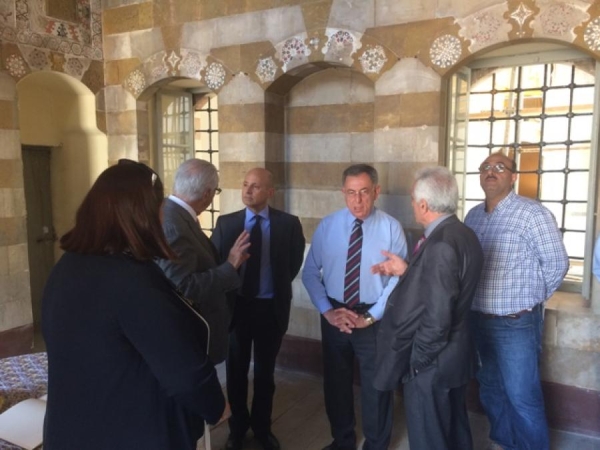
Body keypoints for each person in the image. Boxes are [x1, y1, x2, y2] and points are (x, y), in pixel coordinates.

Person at [41, 160, 228, 450]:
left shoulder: (67, 266)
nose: (162, 215)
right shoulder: (131, 279)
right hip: (130, 429)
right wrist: (216, 405)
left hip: (76, 424)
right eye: (159, 206)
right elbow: (181, 367)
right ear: (140, 215)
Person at [372, 166, 483, 450]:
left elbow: (437, 317)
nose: (412, 205)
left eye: (412, 199)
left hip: (434, 363)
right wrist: (407, 271)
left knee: (428, 437)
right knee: (454, 431)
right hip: (454, 356)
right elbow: (440, 290)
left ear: (423, 205)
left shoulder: (441, 244)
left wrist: (417, 364)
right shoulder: (463, 233)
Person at [465, 151, 569, 450]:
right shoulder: (473, 216)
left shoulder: (533, 214)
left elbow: (557, 264)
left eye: (500, 167)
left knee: (522, 396)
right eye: (485, 166)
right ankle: (505, 443)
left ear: (513, 176)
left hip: (516, 324)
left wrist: (531, 300)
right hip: (478, 320)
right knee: (490, 389)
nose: (491, 171)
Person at [302, 164, 407, 450]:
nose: (357, 200)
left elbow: (398, 281)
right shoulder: (328, 226)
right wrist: (328, 312)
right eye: (351, 193)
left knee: (377, 386)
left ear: (376, 191)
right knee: (336, 383)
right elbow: (310, 273)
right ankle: (343, 441)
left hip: (373, 317)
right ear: (343, 192)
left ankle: (376, 444)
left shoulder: (391, 228)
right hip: (335, 314)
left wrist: (370, 317)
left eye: (363, 192)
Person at [211, 168, 305, 450]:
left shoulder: (288, 224)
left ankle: (263, 429)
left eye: (255, 186)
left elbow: (292, 264)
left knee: (265, 374)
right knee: (236, 372)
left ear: (270, 192)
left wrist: (271, 287)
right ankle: (237, 430)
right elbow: (216, 264)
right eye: (245, 185)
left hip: (270, 308)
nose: (248, 191)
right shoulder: (227, 224)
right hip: (237, 309)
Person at [157, 159, 250, 364]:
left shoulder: (174, 213)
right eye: (216, 191)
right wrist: (230, 266)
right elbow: (184, 287)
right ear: (207, 193)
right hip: (190, 336)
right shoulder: (173, 225)